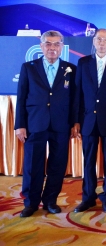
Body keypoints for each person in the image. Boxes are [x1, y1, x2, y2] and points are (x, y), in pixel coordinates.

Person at [15, 31, 78, 217]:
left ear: (62, 47)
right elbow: (21, 97)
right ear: (41, 46)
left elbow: (75, 99)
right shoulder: (29, 67)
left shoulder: (71, 69)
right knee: (32, 165)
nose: (52, 48)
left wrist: (75, 123)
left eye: (56, 44)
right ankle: (31, 203)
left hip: (61, 124)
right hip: (35, 123)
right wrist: (20, 125)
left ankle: (50, 201)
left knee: (57, 165)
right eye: (48, 44)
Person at [74, 28, 106, 213]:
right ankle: (88, 197)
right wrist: (77, 120)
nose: (102, 43)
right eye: (99, 39)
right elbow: (78, 93)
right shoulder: (83, 62)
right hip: (88, 120)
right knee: (88, 161)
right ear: (93, 41)